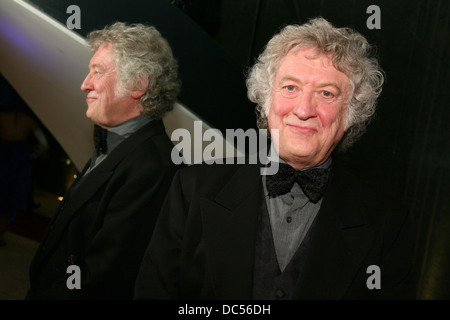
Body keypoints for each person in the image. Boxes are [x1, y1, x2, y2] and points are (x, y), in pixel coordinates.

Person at [134, 17, 417, 299]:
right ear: (266, 101)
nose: (304, 109)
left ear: (351, 114)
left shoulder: (387, 224)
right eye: (290, 88)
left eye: (326, 93)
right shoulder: (192, 188)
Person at [26, 22, 183, 299]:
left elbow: (106, 279)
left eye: (97, 72)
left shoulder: (154, 167)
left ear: (138, 84)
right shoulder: (113, 142)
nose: (85, 84)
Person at [0, 106, 49, 246]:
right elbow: (44, 144)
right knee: (13, 194)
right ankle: (2, 231)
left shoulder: (2, 116)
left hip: (4, 154)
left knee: (3, 191)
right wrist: (33, 155)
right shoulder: (29, 120)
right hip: (20, 157)